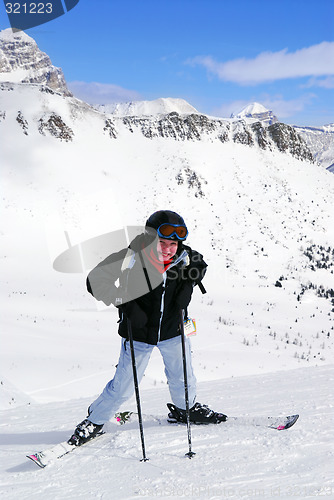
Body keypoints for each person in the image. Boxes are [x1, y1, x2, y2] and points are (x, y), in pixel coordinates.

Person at [68, 210, 226, 446]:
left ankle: (186, 409)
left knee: (183, 377)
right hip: (138, 333)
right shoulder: (130, 258)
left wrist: (193, 278)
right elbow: (95, 280)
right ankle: (95, 420)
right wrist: (123, 300)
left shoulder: (184, 258)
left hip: (173, 331)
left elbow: (200, 264)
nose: (168, 249)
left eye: (173, 243)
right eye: (162, 242)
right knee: (123, 385)